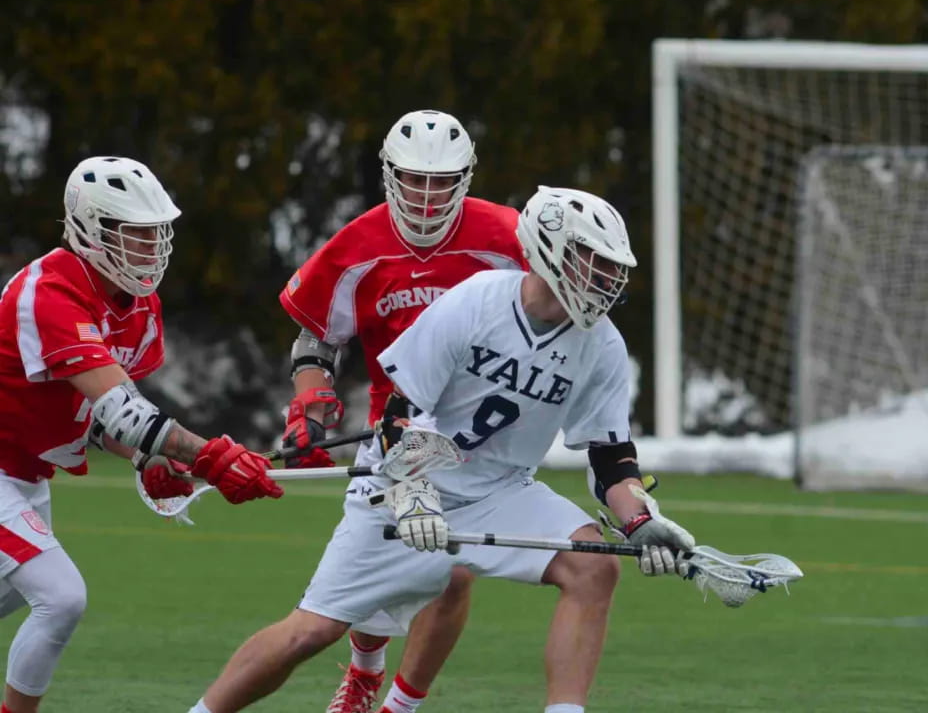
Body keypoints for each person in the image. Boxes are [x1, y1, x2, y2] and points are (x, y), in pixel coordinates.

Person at [187, 186, 695, 713]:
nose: (605, 280)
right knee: (310, 633)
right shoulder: (478, 300)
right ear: (549, 251)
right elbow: (396, 414)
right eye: (592, 260)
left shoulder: (603, 344)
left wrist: (640, 520)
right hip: (405, 481)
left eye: (612, 267)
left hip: (501, 490)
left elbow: (610, 458)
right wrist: (411, 490)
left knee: (593, 571)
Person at [0, 156, 283, 713]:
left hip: (25, 475)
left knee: (16, 594)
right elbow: (127, 412)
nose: (150, 246)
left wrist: (144, 460)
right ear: (90, 229)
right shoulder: (49, 292)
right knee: (61, 597)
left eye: (156, 232)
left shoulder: (140, 305)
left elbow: (106, 421)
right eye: (134, 233)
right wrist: (212, 458)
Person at [276, 109, 526, 712]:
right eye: (415, 178)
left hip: (485, 429)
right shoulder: (357, 245)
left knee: (453, 567)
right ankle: (364, 673)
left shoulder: (509, 238)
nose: (427, 193)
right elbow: (316, 336)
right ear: (390, 175)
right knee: (381, 570)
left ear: (465, 178)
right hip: (396, 428)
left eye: (442, 181)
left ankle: (400, 704)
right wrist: (308, 401)